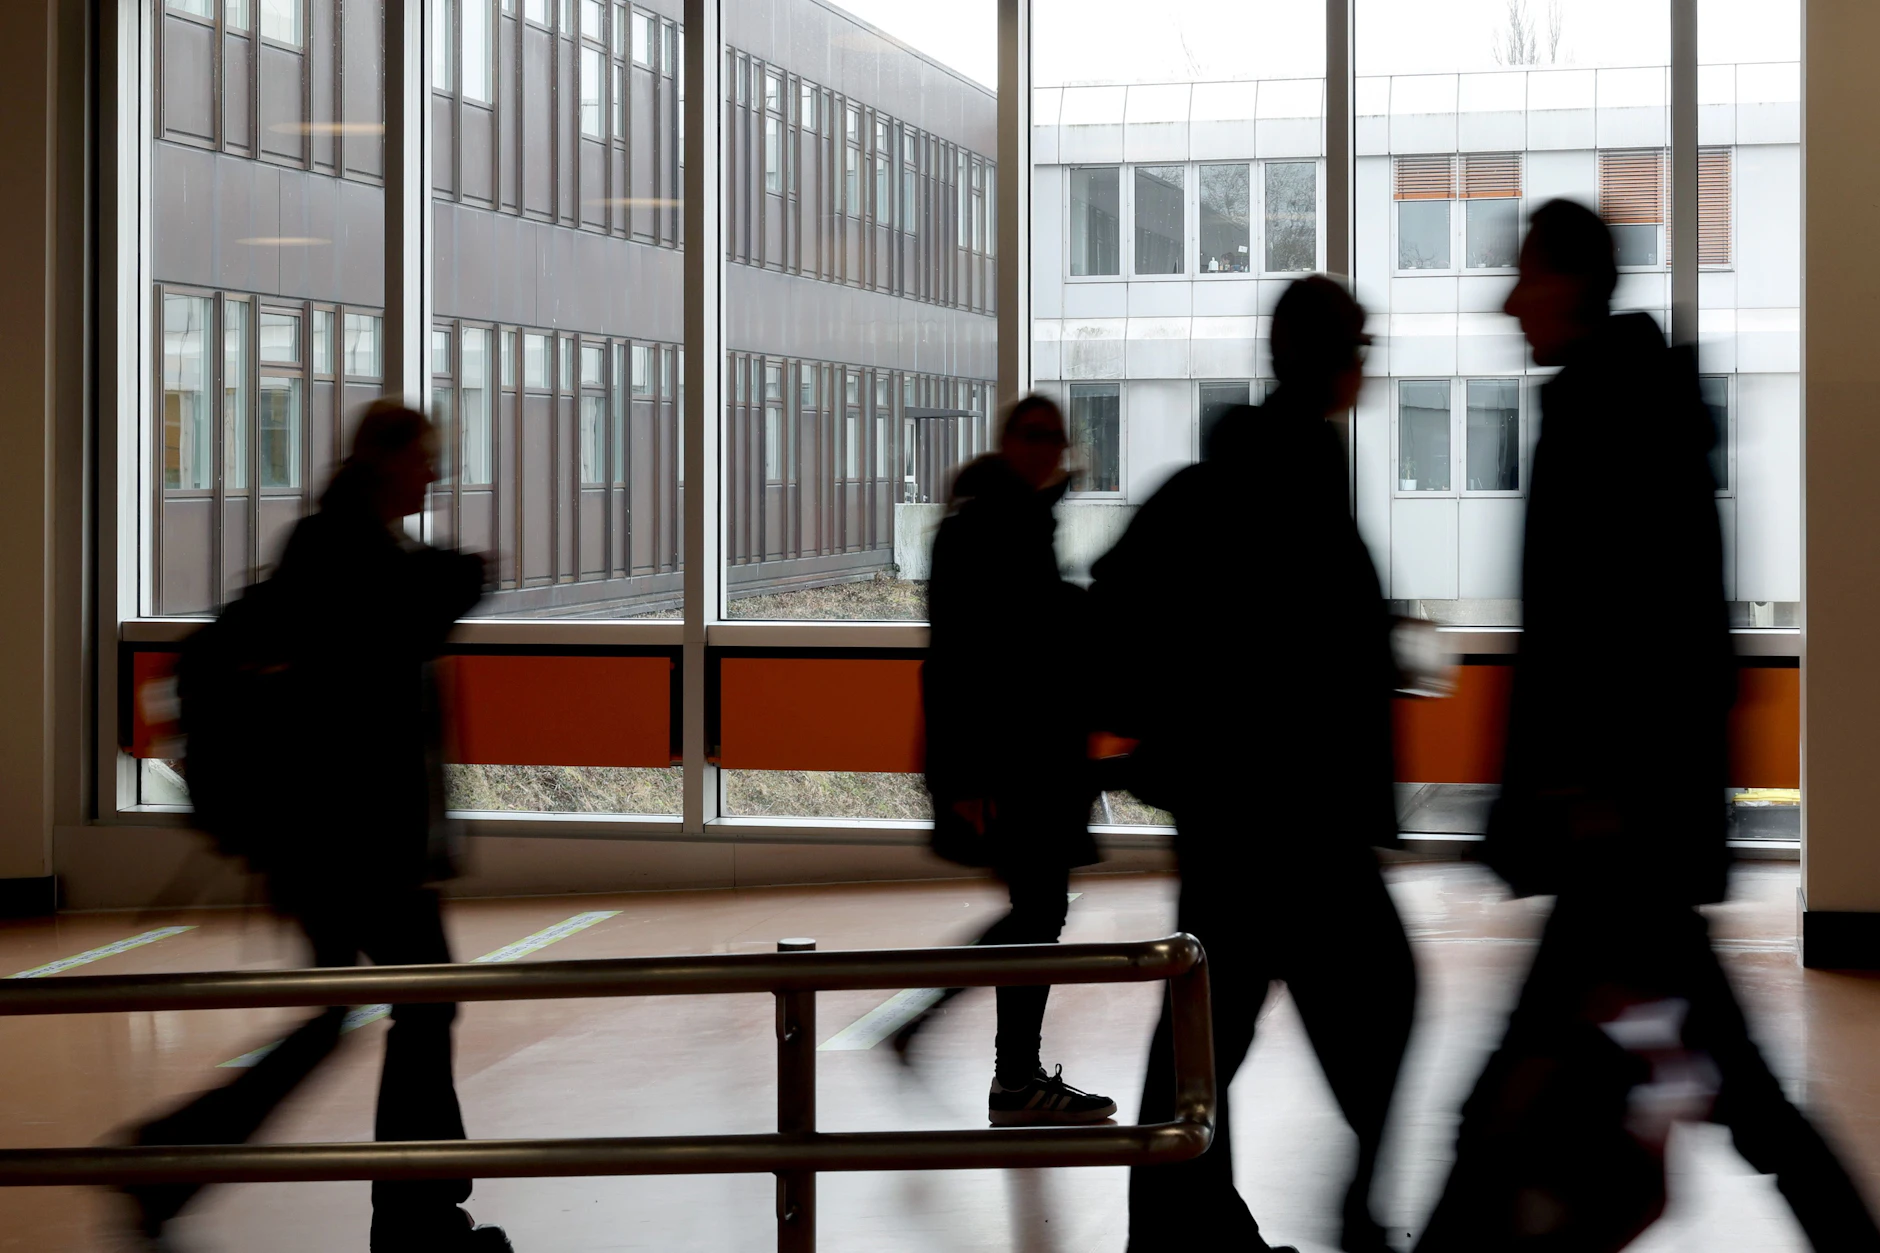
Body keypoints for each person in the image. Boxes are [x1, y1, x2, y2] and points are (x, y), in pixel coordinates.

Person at [1412, 199, 1880, 1251]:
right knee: (1735, 1101)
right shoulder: (1628, 404)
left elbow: (1622, 632)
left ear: (1571, 283)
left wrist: (1583, 797)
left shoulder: (1607, 416)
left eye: (1523, 274)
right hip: (1629, 830)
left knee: (1507, 1101)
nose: (1506, 298)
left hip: (1613, 833)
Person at [124, 403, 510, 1252]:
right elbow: (417, 607)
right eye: (425, 460)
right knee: (424, 999)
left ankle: (171, 1163)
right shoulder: (345, 552)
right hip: (357, 845)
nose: (434, 476)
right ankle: (415, 1207)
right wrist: (470, 571)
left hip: (338, 844)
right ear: (385, 464)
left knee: (373, 1006)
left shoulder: (339, 549)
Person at [1094, 276, 1415, 1253]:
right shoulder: (1293, 481)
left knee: (1203, 1031)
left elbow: (1125, 601)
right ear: (1332, 361)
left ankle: (1181, 1229)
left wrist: (1171, 740)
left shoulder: (1243, 473)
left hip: (1240, 811)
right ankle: (1337, 1214)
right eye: (1358, 345)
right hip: (1292, 817)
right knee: (1369, 998)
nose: (1366, 363)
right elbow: (1319, 654)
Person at [905, 393, 1118, 1126]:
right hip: (1011, 761)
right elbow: (956, 660)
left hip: (1038, 754)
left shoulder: (1026, 521)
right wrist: (963, 777)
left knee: (1038, 907)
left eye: (1055, 439)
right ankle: (1006, 1072)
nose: (1045, 450)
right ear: (1006, 442)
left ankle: (1003, 1068)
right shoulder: (976, 530)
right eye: (1032, 436)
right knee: (1039, 907)